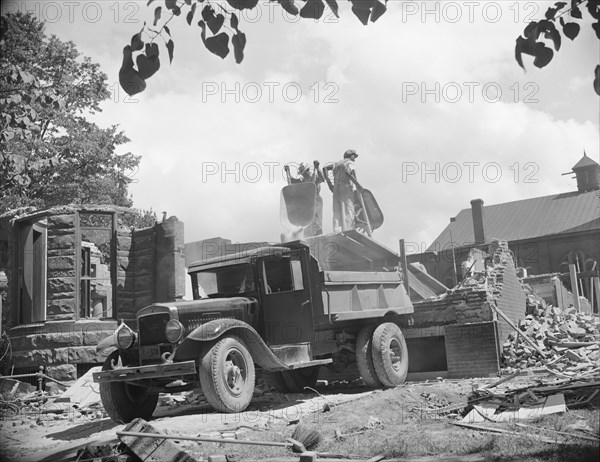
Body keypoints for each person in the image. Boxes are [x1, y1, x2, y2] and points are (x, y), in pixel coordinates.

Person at [324, 149, 361, 233]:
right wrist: (358, 185)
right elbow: (349, 173)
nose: (354, 158)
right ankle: (348, 230)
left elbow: (325, 168)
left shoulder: (337, 164)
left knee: (337, 211)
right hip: (346, 187)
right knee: (348, 209)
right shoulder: (350, 163)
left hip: (336, 188)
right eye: (354, 156)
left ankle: (336, 231)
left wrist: (330, 184)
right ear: (350, 156)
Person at [286, 161, 325, 237]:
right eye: (302, 173)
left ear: (307, 170)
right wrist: (288, 171)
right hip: (307, 202)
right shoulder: (302, 180)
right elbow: (291, 181)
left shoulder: (315, 177)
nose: (303, 174)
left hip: (316, 200)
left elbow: (322, 179)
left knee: (317, 220)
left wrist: (317, 168)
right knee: (307, 221)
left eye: (304, 172)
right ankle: (308, 237)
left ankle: (318, 235)